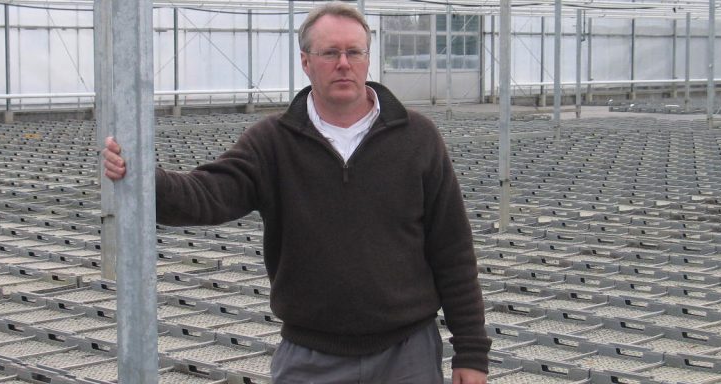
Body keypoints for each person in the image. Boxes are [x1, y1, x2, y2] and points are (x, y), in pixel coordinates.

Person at [102, 2, 490, 383]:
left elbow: (452, 249)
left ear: (367, 58)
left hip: (407, 355)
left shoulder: (416, 138)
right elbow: (209, 193)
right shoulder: (272, 142)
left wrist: (471, 351)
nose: (343, 63)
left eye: (354, 52)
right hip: (310, 357)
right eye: (329, 53)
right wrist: (141, 178)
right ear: (306, 62)